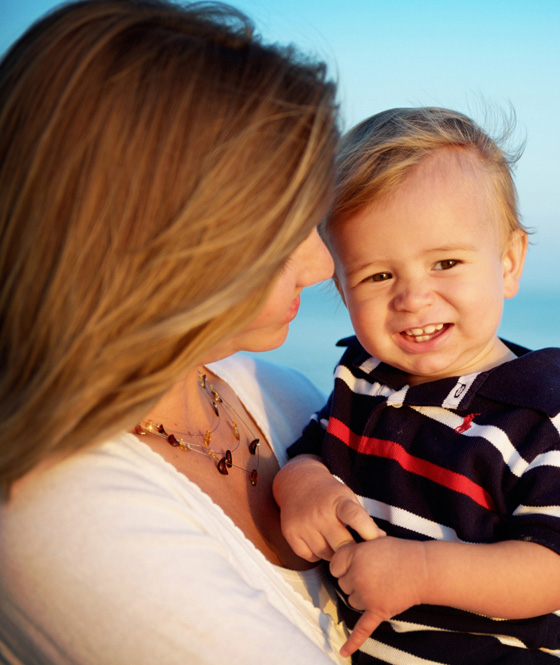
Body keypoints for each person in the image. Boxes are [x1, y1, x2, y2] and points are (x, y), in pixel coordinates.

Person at [0, 1, 382, 662]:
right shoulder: (58, 510)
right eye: (284, 227)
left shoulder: (279, 392)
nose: (323, 265)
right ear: (155, 233)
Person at [273, 107, 560, 664]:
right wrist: (302, 487)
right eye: (378, 275)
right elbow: (311, 451)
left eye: (445, 262)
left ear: (508, 261)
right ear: (340, 285)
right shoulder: (364, 379)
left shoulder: (544, 419)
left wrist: (421, 573)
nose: (412, 297)